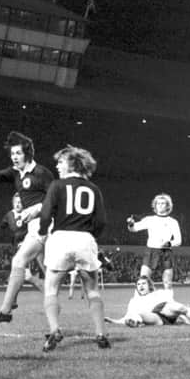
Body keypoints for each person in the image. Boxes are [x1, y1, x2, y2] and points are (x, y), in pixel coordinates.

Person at [0, 131, 54, 325]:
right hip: (35, 227)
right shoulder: (16, 173)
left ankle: (5, 310)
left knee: (19, 261)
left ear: (27, 153)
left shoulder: (42, 173)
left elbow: (56, 199)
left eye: (17, 153)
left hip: (45, 225)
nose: (14, 158)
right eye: (12, 154)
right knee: (50, 275)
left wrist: (37, 208)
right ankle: (54, 327)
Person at [38, 145, 110, 351]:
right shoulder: (93, 188)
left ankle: (54, 330)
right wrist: (91, 237)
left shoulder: (57, 185)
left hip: (61, 238)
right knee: (92, 291)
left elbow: (45, 215)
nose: (57, 166)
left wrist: (43, 231)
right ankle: (101, 333)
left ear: (71, 163)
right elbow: (102, 221)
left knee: (51, 289)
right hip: (85, 239)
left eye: (60, 162)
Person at [0, 193, 42, 310]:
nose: (19, 204)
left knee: (26, 275)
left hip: (28, 245)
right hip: (16, 247)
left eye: (20, 202)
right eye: (16, 202)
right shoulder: (9, 215)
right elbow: (1, 226)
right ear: (13, 203)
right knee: (19, 275)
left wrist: (26, 241)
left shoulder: (29, 213)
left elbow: (35, 229)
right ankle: (13, 301)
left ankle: (47, 293)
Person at [105, 276, 190, 327]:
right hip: (155, 318)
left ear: (149, 285)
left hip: (165, 312)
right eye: (138, 284)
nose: (141, 286)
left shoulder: (158, 294)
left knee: (180, 307)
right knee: (138, 315)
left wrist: (186, 321)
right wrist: (113, 321)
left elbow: (175, 307)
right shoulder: (134, 301)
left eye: (143, 284)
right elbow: (126, 317)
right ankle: (137, 323)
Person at [127, 193, 182, 290]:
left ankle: (168, 303)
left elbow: (178, 240)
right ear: (155, 206)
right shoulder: (149, 219)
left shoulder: (173, 221)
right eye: (158, 203)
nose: (160, 205)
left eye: (163, 203)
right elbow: (134, 229)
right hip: (151, 251)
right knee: (143, 280)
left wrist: (169, 243)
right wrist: (131, 224)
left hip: (165, 251)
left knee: (167, 282)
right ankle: (144, 303)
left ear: (168, 206)